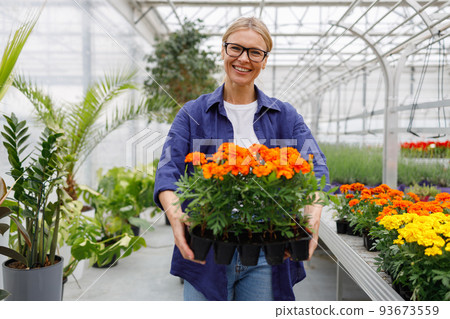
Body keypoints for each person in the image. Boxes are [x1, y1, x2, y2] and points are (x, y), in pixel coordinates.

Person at [153, 16, 330, 301]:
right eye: (235, 48)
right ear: (223, 50)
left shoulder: (285, 116)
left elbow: (316, 166)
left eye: (255, 52)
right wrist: (176, 218)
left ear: (265, 59)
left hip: (267, 253)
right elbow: (167, 170)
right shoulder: (193, 113)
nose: (243, 59)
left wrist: (312, 218)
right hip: (207, 251)